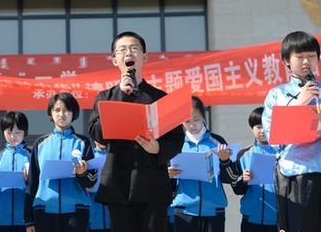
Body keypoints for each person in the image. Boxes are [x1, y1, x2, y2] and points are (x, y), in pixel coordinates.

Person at [88, 31, 184, 232]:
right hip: (118, 184)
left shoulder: (160, 98)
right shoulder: (105, 97)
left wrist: (158, 148)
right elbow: (96, 133)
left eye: (134, 48)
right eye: (121, 50)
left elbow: (176, 139)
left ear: (144, 57)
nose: (128, 53)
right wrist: (122, 95)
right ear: (115, 60)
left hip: (152, 185)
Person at [262, 31, 321, 232]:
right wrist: (300, 101)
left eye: (311, 56)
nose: (306, 61)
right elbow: (272, 137)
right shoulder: (277, 94)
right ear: (287, 61)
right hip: (296, 173)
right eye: (299, 57)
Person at [25, 92, 96, 232]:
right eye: (57, 110)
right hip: (44, 210)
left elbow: (91, 181)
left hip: (76, 211)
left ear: (73, 113)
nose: (61, 114)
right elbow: (32, 183)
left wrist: (82, 173)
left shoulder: (83, 142)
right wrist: (28, 219)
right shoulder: (40, 144)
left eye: (66, 110)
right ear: (51, 113)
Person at [168, 96, 229, 232]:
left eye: (196, 119)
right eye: (187, 121)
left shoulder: (217, 141)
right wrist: (168, 175)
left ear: (204, 116)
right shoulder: (175, 144)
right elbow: (165, 183)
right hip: (184, 211)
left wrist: (225, 161)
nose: (192, 125)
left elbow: (230, 178)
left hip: (214, 211)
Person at [220, 107, 278, 232]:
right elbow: (237, 189)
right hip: (251, 219)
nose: (262, 130)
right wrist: (243, 179)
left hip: (278, 219)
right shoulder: (243, 154)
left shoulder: (283, 153)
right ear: (252, 129)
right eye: (258, 126)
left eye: (266, 125)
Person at [0, 112, 30, 231]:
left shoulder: (31, 157)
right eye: (9, 132)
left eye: (18, 132)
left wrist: (29, 180)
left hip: (24, 219)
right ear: (3, 132)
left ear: (25, 132)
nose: (13, 137)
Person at [89, 141, 110, 232]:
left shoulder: (114, 156)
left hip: (113, 219)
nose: (102, 140)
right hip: (93, 220)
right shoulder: (89, 156)